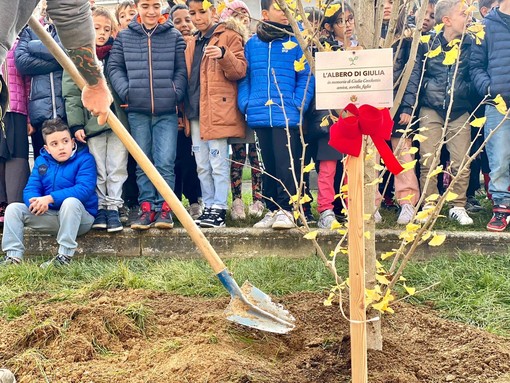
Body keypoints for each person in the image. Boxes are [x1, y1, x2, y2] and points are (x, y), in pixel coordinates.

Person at [108, 0, 187, 230]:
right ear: (137, 6)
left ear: (162, 6)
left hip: (166, 112)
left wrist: (175, 93)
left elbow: (181, 70)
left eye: (155, 5)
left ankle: (165, 208)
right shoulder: (125, 37)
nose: (151, 11)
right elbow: (115, 68)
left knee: (165, 161)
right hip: (137, 110)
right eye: (145, 5)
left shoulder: (173, 35)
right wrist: (127, 92)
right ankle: (146, 208)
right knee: (143, 162)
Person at [238, 0, 314, 230]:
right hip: (259, 113)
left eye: (289, 8)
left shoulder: (298, 41)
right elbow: (245, 77)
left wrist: (297, 103)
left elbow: (307, 76)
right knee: (267, 165)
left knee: (286, 165)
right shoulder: (252, 44)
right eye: (280, 8)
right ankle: (272, 209)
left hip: (287, 115)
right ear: (264, 13)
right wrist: (246, 103)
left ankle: (289, 209)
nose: (285, 13)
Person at [0, 1, 112, 139]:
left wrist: (95, 84)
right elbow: (70, 11)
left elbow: (70, 12)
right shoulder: (29, 33)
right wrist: (95, 84)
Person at [63, 7, 128, 233]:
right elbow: (71, 93)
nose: (101, 33)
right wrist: (76, 124)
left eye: (107, 29)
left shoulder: (116, 54)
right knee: (99, 166)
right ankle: (100, 206)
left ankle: (114, 207)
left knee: (117, 166)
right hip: (93, 123)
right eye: (96, 28)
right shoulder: (78, 57)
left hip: (118, 122)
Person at [0, 118, 97, 267]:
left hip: (80, 219)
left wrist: (50, 198)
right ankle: (13, 257)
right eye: (54, 144)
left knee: (70, 202)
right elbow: (31, 188)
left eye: (65, 141)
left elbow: (84, 189)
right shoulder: (41, 162)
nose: (61, 147)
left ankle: (64, 257)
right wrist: (36, 202)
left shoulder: (85, 159)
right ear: (46, 148)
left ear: (72, 142)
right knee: (13, 209)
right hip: (52, 217)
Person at [185, 0, 247, 228]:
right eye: (192, 13)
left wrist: (223, 54)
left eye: (202, 11)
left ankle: (220, 207)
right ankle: (209, 206)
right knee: (201, 164)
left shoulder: (228, 35)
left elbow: (239, 70)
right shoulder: (193, 40)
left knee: (218, 162)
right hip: (195, 110)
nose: (197, 17)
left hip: (217, 110)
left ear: (213, 11)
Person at [415, 0, 474, 225]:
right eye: (463, 14)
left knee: (461, 161)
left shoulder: (471, 43)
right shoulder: (427, 44)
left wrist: (465, 92)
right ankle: (429, 203)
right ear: (447, 20)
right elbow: (418, 76)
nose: (469, 17)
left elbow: (474, 72)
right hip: (431, 108)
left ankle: (458, 205)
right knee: (428, 158)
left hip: (459, 109)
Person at [218, 0, 264, 221]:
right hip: (233, 106)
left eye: (245, 14)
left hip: (255, 106)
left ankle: (258, 198)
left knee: (256, 156)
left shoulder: (256, 41)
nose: (243, 18)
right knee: (237, 156)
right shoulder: (227, 39)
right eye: (237, 14)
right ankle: (236, 200)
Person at [470, 0, 510, 231]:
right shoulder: (484, 26)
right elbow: (475, 66)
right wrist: (490, 90)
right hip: (497, 104)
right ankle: (501, 207)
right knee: (499, 156)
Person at [169, 4, 204, 221]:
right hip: (172, 113)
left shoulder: (199, 45)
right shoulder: (170, 46)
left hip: (193, 112)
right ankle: (173, 202)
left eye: (187, 19)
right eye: (178, 21)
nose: (183, 25)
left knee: (193, 161)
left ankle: (195, 201)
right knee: (174, 160)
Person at [15, 14, 67, 159]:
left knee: (71, 164)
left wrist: (33, 46)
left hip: (67, 110)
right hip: (40, 114)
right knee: (43, 164)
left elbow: (69, 52)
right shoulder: (30, 30)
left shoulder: (68, 27)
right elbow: (22, 63)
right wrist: (60, 62)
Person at [0, 40, 31, 225]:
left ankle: (15, 203)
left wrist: (28, 118)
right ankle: (1, 203)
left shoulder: (18, 44)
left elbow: (27, 82)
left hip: (18, 111)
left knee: (17, 155)